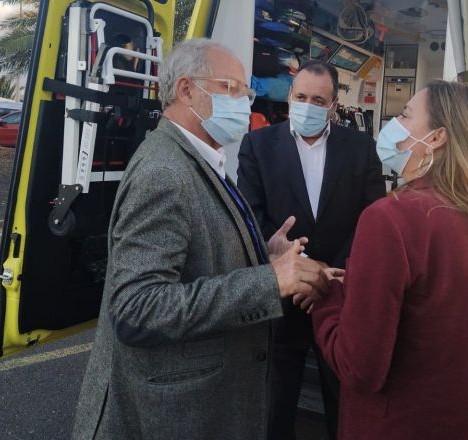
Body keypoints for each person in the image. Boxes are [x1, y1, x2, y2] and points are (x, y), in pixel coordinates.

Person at [71, 38, 331, 440]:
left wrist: (262, 256)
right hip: (170, 415)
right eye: (230, 88)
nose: (244, 102)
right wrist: (270, 281)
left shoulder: (201, 157)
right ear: (186, 90)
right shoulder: (164, 173)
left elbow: (197, 254)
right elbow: (137, 308)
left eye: (246, 91)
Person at [311, 80, 468, 439]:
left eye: (405, 114)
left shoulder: (391, 219)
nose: (393, 122)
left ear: (436, 138)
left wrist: (326, 294)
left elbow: (360, 368)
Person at [237, 60, 385, 439]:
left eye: (318, 100)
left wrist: (329, 275)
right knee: (277, 398)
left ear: (334, 106)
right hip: (285, 297)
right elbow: (251, 215)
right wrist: (301, 268)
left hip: (340, 294)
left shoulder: (361, 148)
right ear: (289, 96)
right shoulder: (257, 145)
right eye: (300, 96)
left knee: (343, 398)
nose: (307, 105)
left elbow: (372, 220)